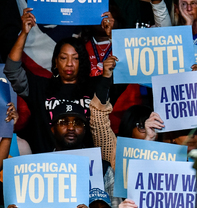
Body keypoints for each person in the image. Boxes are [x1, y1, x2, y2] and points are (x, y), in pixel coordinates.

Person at [4, 8, 116, 154]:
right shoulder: (40, 87)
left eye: (75, 58)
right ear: (55, 62)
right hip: (48, 165)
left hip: (88, 165)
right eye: (64, 58)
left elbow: (125, 73)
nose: (69, 63)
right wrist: (24, 33)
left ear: (82, 62)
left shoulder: (95, 87)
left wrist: (112, 35)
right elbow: (12, 69)